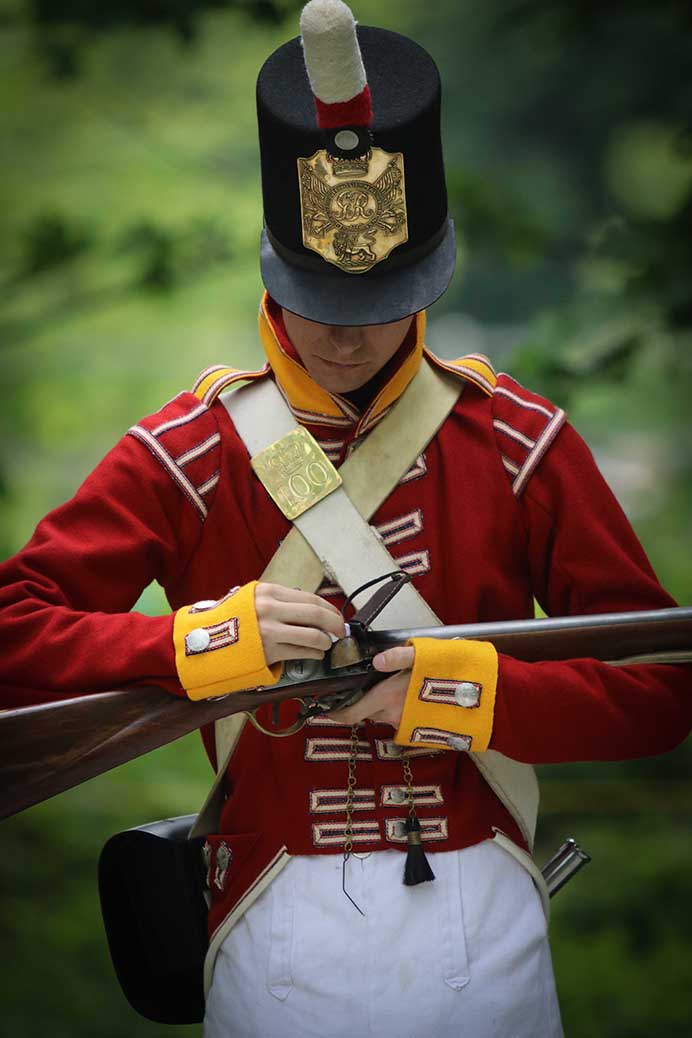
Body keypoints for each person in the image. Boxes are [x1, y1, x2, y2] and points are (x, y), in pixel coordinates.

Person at [0, 2, 690, 1036]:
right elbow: (16, 629)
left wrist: (468, 692)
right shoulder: (188, 451)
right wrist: (198, 644)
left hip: (485, 907)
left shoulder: (518, 441)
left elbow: (658, 691)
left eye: (375, 304)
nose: (344, 338)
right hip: (269, 913)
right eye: (320, 299)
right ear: (276, 264)